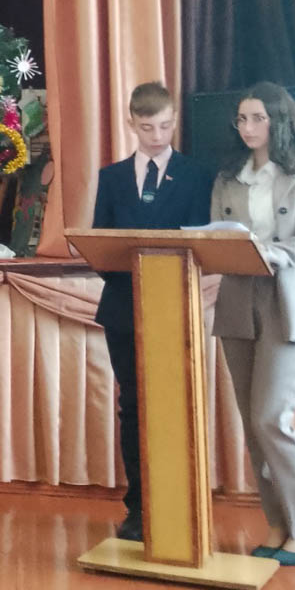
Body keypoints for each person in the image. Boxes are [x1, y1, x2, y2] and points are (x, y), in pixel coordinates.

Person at [92, 81, 213, 541]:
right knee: (133, 407)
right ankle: (139, 507)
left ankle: (178, 503)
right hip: (124, 309)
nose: (157, 136)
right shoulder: (111, 178)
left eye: (164, 126)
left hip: (175, 307)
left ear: (175, 121)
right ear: (131, 124)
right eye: (147, 128)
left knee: (175, 405)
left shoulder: (198, 175)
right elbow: (102, 245)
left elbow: (203, 244)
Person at [211, 83, 295, 565]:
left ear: (278, 121)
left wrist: (273, 251)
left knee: (271, 417)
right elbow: (216, 233)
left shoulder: (294, 174)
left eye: (257, 118)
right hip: (238, 298)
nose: (248, 128)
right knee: (251, 421)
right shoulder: (228, 177)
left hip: (285, 298)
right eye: (241, 119)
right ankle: (278, 525)